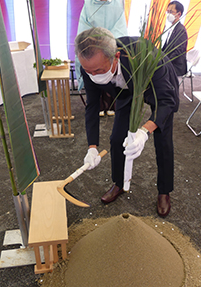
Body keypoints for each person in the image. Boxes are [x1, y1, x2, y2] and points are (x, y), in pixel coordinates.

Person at [74, 27, 179, 217]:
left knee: (163, 141)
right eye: (89, 71)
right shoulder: (89, 66)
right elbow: (91, 106)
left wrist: (144, 132)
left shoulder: (145, 55)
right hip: (125, 90)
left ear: (116, 56)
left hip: (156, 87)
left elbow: (166, 102)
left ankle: (164, 191)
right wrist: (92, 146)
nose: (94, 76)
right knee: (116, 139)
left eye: (98, 70)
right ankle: (119, 183)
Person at [75, 0, 128, 117]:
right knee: (94, 73)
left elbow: (120, 26)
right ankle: (100, 106)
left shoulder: (118, 3)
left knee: (110, 74)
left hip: (111, 45)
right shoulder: (88, 4)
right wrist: (95, 41)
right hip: (92, 47)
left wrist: (106, 42)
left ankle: (111, 106)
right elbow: (84, 26)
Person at [162, 1, 188, 82]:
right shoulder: (172, 28)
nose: (168, 14)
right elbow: (166, 48)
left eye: (171, 12)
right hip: (169, 61)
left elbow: (177, 52)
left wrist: (164, 62)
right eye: (168, 11)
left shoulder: (181, 30)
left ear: (179, 14)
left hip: (176, 65)